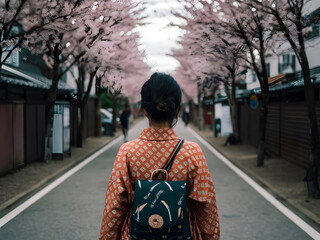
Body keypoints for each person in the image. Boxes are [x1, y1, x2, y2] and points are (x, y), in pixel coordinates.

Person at [99, 72, 220, 240]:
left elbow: (114, 207)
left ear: (144, 110)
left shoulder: (127, 151)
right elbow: (206, 207)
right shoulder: (192, 152)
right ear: (177, 111)